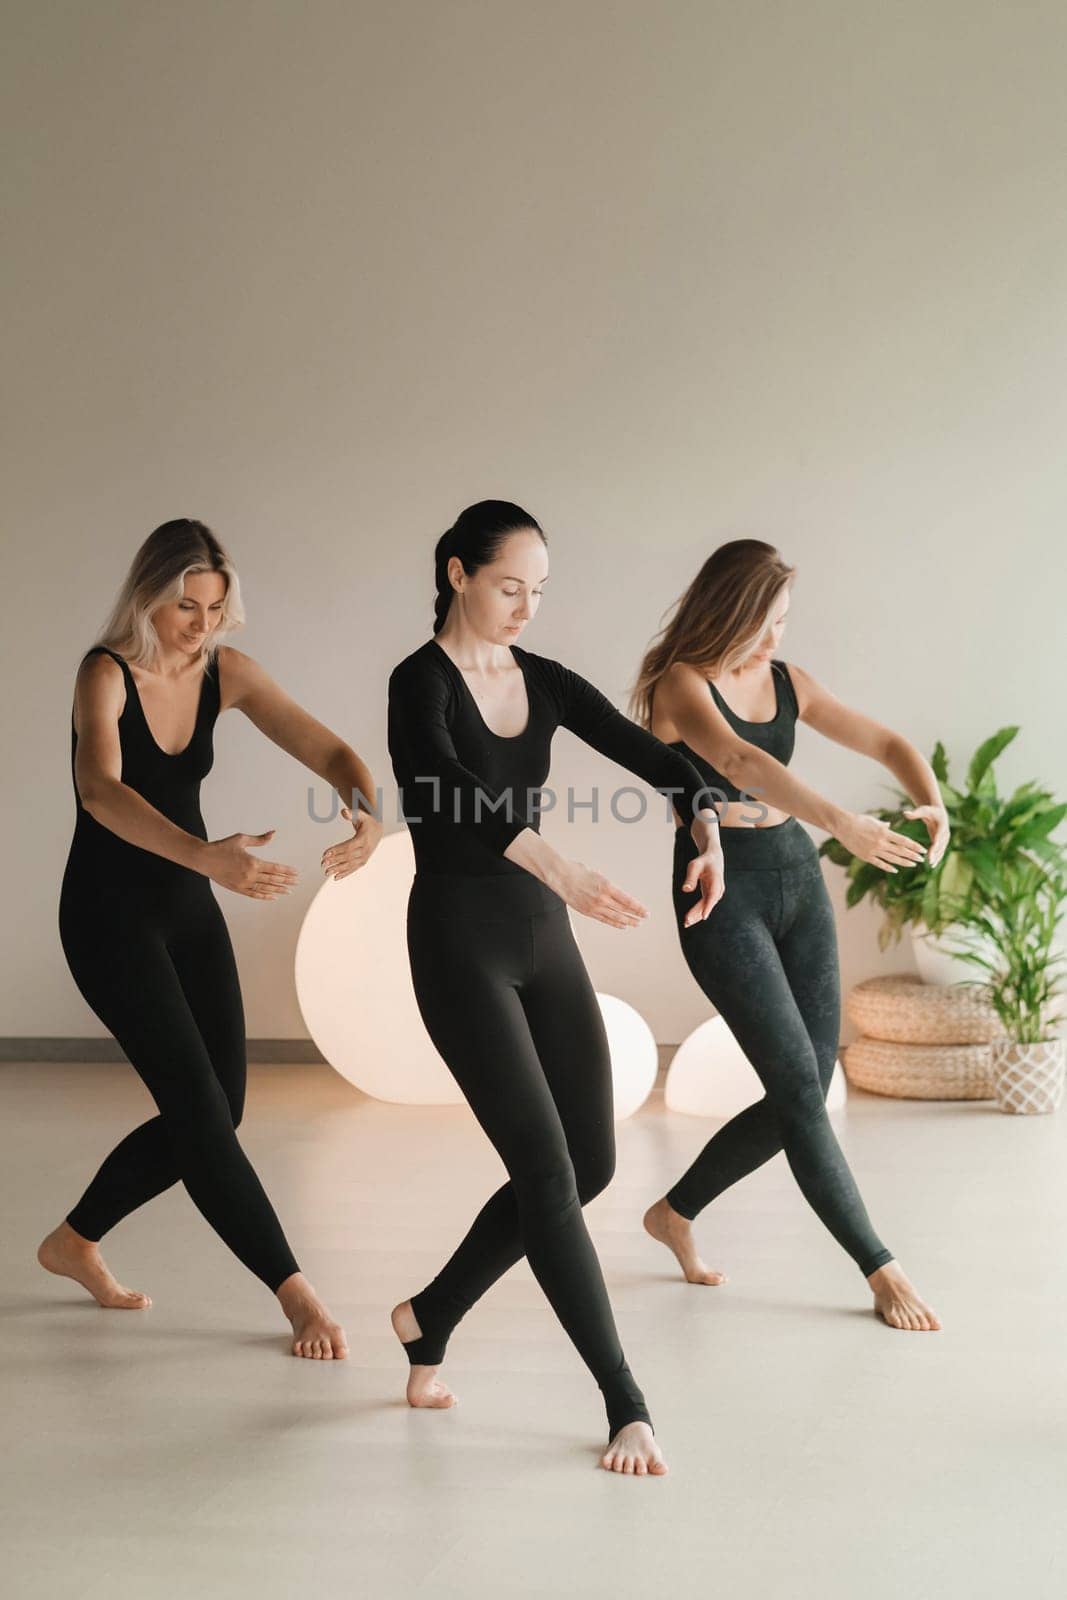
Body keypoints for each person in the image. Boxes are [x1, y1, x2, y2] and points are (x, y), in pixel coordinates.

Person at [387, 500, 723, 1474]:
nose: (525, 607)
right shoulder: (420, 685)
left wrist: (699, 821)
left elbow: (652, 756)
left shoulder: (542, 680)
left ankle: (428, 1316)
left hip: (541, 938)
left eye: (537, 591)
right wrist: (563, 869)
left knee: (590, 1164)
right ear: (455, 572)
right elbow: (446, 789)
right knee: (544, 1173)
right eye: (507, 586)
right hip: (458, 940)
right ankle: (626, 1404)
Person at [39, 518, 382, 1359]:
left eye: (214, 607)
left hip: (189, 905)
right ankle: (296, 1294)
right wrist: (207, 859)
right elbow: (100, 793)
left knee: (219, 1107)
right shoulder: (105, 673)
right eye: (183, 605)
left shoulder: (227, 673)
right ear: (148, 597)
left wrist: (367, 811)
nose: (198, 623)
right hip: (107, 918)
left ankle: (73, 1242)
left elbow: (331, 749)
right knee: (198, 1109)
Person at [635, 539, 944, 1333]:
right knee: (802, 1093)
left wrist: (930, 800)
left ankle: (674, 1212)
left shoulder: (786, 680)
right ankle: (880, 1265)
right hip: (720, 892)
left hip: (796, 880)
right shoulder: (680, 683)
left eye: (782, 624)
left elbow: (883, 742)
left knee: (806, 1081)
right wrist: (842, 820)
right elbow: (736, 757)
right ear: (727, 611)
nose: (774, 641)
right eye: (763, 623)